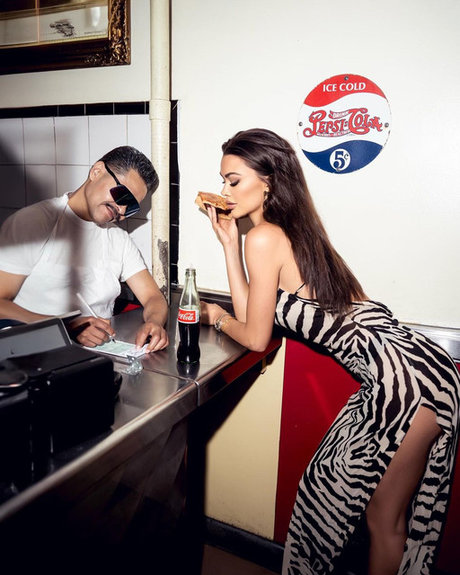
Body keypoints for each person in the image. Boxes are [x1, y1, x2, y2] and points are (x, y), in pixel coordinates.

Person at [200, 128, 460, 575]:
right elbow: (254, 314)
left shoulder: (265, 238)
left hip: (403, 379)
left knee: (378, 517)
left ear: (269, 181)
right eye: (223, 180)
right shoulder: (292, 235)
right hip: (419, 369)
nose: (224, 191)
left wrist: (217, 318)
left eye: (234, 180)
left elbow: (254, 336)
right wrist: (229, 244)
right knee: (371, 508)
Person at [0, 145, 168, 352]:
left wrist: (154, 323)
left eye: (131, 207)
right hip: (33, 356)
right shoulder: (34, 222)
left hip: (97, 356)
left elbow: (153, 298)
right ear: (96, 172)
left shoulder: (119, 240)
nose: (122, 210)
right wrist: (65, 327)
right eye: (123, 196)